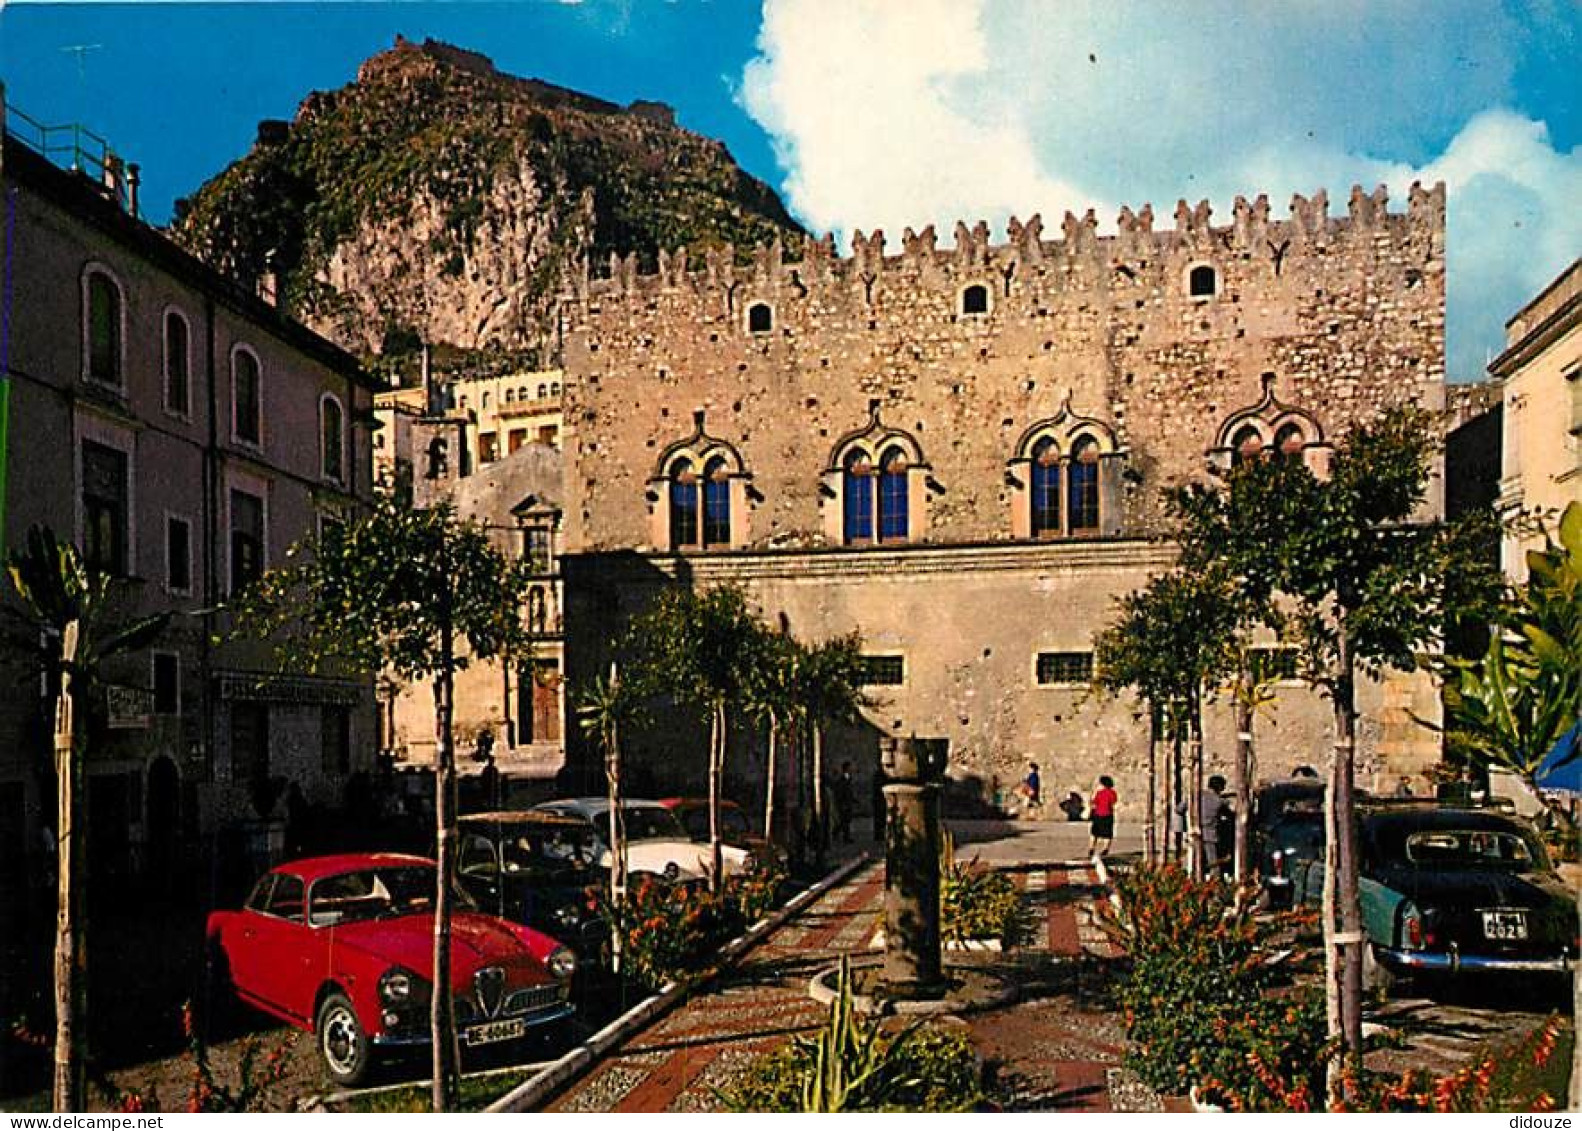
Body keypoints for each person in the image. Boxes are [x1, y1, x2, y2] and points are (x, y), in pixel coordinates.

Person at [1199, 774, 1229, 876]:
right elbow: (1230, 815)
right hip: (1211, 834)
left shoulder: (1196, 796)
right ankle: (1215, 883)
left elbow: (1179, 809)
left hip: (1195, 833)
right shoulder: (1219, 801)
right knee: (1213, 862)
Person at [1088, 775, 1117, 857]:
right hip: (1108, 815)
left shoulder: (1099, 793)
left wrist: (1094, 793)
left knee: (1094, 833)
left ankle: (1091, 848)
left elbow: (1093, 802)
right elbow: (1113, 802)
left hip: (1098, 814)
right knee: (1107, 834)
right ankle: (1105, 849)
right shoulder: (1112, 793)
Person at [833, 761, 856, 844]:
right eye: (850, 767)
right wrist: (842, 803)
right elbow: (841, 791)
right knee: (844, 821)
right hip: (844, 803)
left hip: (847, 803)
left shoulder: (848, 778)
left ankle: (842, 835)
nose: (852, 769)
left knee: (845, 821)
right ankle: (844, 837)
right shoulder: (842, 780)